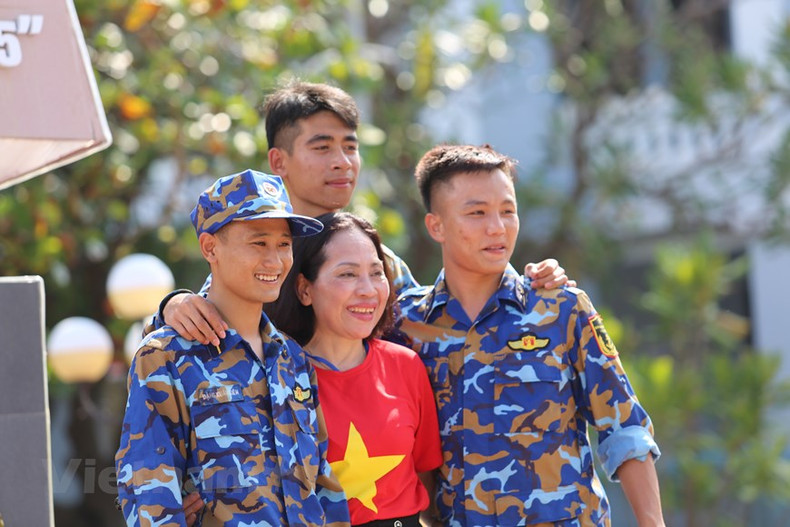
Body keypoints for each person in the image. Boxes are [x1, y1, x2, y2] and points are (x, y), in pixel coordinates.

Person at [156, 80, 572, 348]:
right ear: (278, 161)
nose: (342, 162)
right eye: (322, 147)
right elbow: (201, 317)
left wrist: (531, 281)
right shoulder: (260, 254)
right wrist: (172, 305)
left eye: (350, 147)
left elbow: (437, 319)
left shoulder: (381, 263)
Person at [393, 144, 665, 527]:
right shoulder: (404, 325)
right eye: (477, 213)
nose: (497, 228)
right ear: (436, 225)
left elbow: (624, 430)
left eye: (508, 211)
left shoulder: (562, 309)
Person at [115, 169, 350, 527]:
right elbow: (148, 490)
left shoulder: (292, 358)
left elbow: (321, 482)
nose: (274, 261)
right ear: (210, 247)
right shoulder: (166, 356)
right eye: (258, 243)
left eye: (284, 244)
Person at [267, 211, 443, 526]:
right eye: (348, 274)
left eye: (376, 273)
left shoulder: (406, 365)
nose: (368, 289)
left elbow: (426, 477)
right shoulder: (278, 377)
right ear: (305, 289)